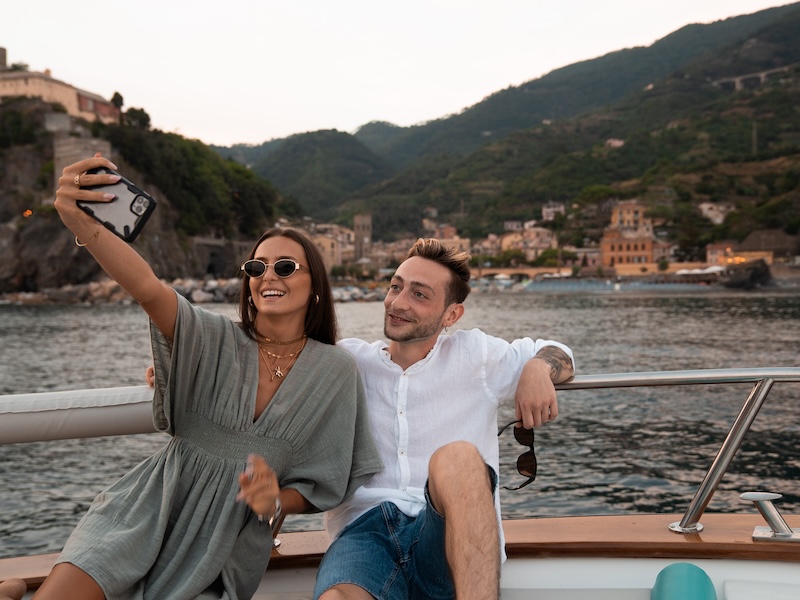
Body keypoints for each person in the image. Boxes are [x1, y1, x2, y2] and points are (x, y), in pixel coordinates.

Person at [14, 154, 382, 600]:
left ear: (315, 285)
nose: (268, 275)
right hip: (145, 509)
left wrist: (272, 502)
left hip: (226, 544)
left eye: (285, 267)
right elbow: (148, 288)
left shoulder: (334, 371)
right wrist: (81, 224)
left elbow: (323, 480)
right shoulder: (212, 338)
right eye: (256, 267)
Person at [314, 238, 575, 600]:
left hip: (446, 533)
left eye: (420, 295)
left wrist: (537, 366)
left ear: (451, 315)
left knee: (459, 458)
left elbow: (560, 351)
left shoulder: (476, 355)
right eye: (396, 286)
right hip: (365, 534)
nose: (398, 302)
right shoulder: (350, 362)